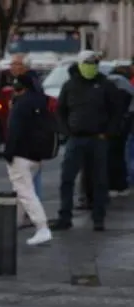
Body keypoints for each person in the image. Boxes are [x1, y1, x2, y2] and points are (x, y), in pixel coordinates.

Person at [53, 51, 123, 231]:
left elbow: (117, 111)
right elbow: (60, 110)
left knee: (99, 180)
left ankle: (98, 218)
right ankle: (65, 217)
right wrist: (66, 131)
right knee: (67, 178)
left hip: (97, 139)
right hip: (75, 139)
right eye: (88, 62)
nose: (91, 66)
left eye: (94, 63)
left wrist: (108, 133)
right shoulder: (70, 85)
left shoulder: (105, 85)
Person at [3, 73, 53, 245]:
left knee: (25, 192)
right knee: (21, 191)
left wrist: (8, 152)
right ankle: (12, 224)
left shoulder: (21, 104)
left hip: (20, 155)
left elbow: (14, 130)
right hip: (36, 156)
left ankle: (42, 227)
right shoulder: (41, 102)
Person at [8, 53, 45, 199]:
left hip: (30, 136)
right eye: (12, 64)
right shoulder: (20, 81)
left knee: (30, 177)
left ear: (24, 66)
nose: (12, 67)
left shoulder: (30, 82)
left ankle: (33, 210)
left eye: (15, 64)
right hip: (28, 135)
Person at [105, 64, 134, 197]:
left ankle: (115, 185)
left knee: (113, 155)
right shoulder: (126, 85)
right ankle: (121, 185)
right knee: (121, 155)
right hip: (125, 124)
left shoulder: (110, 82)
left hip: (113, 125)